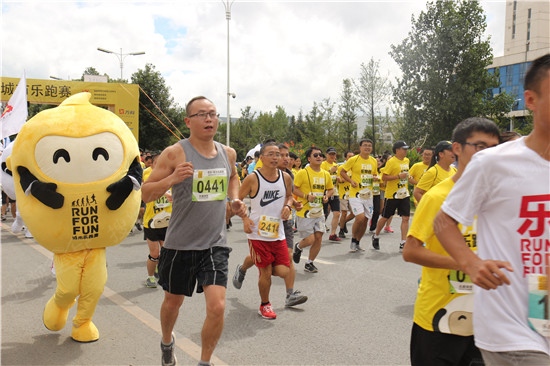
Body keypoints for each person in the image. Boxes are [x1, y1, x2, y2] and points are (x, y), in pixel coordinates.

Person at [435, 54, 550, 365]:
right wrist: (471, 263)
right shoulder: (494, 163)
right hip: (511, 328)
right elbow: (444, 221)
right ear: (531, 99)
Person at [141, 96, 247, 366]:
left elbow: (233, 176)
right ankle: (167, 341)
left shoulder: (228, 153)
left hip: (215, 243)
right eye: (202, 114)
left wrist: (235, 199)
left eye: (213, 113)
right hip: (179, 244)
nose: (209, 119)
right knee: (172, 303)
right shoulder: (175, 153)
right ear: (188, 121)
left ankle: (204, 361)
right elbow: (146, 194)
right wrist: (172, 179)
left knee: (218, 306)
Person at [402, 117, 500, 365]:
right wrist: (465, 263)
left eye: (493, 148)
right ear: (457, 148)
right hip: (439, 320)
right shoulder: (437, 196)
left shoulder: (499, 197)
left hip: (485, 322)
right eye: (480, 147)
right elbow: (411, 251)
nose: (487, 154)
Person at [232, 143, 308, 308]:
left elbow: (289, 196)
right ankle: (265, 305)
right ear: (261, 158)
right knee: (265, 270)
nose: (276, 158)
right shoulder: (253, 178)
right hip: (256, 232)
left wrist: (288, 206)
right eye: (271, 154)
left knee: (284, 270)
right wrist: (245, 219)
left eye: (278, 155)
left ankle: (244, 267)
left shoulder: (286, 177)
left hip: (277, 232)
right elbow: (236, 202)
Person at [292, 146, 334, 273]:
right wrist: (306, 196)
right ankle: (298, 247)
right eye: (315, 155)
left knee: (319, 237)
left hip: (319, 212)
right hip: (305, 212)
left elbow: (331, 189)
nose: (319, 157)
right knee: (310, 239)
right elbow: (294, 188)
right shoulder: (302, 173)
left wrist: (327, 195)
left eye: (320, 155)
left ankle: (309, 263)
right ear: (309, 158)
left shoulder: (326, 174)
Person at [340, 139, 379, 252]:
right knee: (360, 217)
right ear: (360, 147)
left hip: (368, 195)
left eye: (369, 146)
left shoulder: (373, 161)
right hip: (355, 194)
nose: (367, 147)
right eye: (365, 145)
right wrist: (351, 181)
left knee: (366, 220)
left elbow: (374, 174)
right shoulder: (354, 159)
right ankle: (353, 239)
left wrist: (376, 177)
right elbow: (342, 171)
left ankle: (357, 241)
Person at [372, 141, 411, 252]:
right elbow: (384, 177)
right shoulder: (391, 162)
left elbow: (407, 174)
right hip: (392, 195)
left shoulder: (407, 160)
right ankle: (376, 235)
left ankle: (403, 242)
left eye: (406, 149)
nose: (406, 151)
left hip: (404, 193)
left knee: (406, 218)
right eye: (404, 149)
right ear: (397, 150)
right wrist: (398, 176)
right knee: (385, 217)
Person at [142, 154, 172, 288]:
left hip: (167, 221)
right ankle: (150, 277)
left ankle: (161, 270)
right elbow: (146, 193)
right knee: (155, 253)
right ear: (152, 164)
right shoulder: (147, 175)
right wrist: (164, 192)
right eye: (158, 163)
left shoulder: (171, 174)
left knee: (166, 251)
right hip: (151, 222)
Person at [321, 147, 342, 242]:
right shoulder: (322, 165)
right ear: (326, 155)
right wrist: (330, 171)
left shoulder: (336, 165)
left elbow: (337, 178)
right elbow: (320, 176)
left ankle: (333, 234)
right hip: (324, 192)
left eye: (334, 154)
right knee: (323, 213)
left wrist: (339, 179)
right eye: (330, 154)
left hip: (334, 191)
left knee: (337, 213)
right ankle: (318, 231)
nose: (333, 156)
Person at [338, 151, 355, 238]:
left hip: (352, 193)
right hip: (343, 193)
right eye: (349, 156)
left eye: (352, 156)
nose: (351, 158)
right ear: (345, 158)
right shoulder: (341, 167)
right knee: (344, 212)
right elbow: (338, 180)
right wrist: (344, 180)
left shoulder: (354, 168)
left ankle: (343, 222)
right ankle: (341, 230)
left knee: (354, 213)